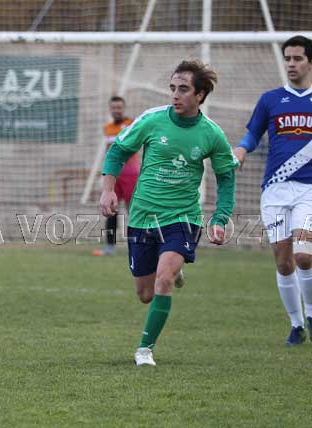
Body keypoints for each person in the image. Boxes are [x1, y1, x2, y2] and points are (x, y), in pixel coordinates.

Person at [99, 60, 238, 366]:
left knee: (164, 279)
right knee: (145, 294)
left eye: (183, 89)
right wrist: (108, 189)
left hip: (183, 217)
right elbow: (118, 150)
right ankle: (173, 268)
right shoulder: (152, 120)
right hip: (143, 216)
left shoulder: (212, 134)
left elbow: (226, 178)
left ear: (200, 95)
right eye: (173, 88)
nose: (175, 95)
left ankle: (144, 350)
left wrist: (219, 218)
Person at [234, 35, 312, 346]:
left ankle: (311, 314)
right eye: (287, 58)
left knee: (304, 255)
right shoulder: (270, 99)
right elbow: (253, 134)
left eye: (297, 58)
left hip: (309, 190)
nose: (291, 64)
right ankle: (297, 325)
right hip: (275, 190)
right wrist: (241, 150)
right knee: (283, 261)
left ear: (310, 62)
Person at [93, 96, 136, 256]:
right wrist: (105, 174)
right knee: (110, 210)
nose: (116, 110)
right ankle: (110, 247)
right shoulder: (107, 128)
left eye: (119, 107)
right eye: (114, 107)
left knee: (134, 211)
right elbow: (109, 152)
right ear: (110, 109)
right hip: (114, 177)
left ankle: (139, 244)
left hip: (131, 174)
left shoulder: (132, 124)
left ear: (123, 108)